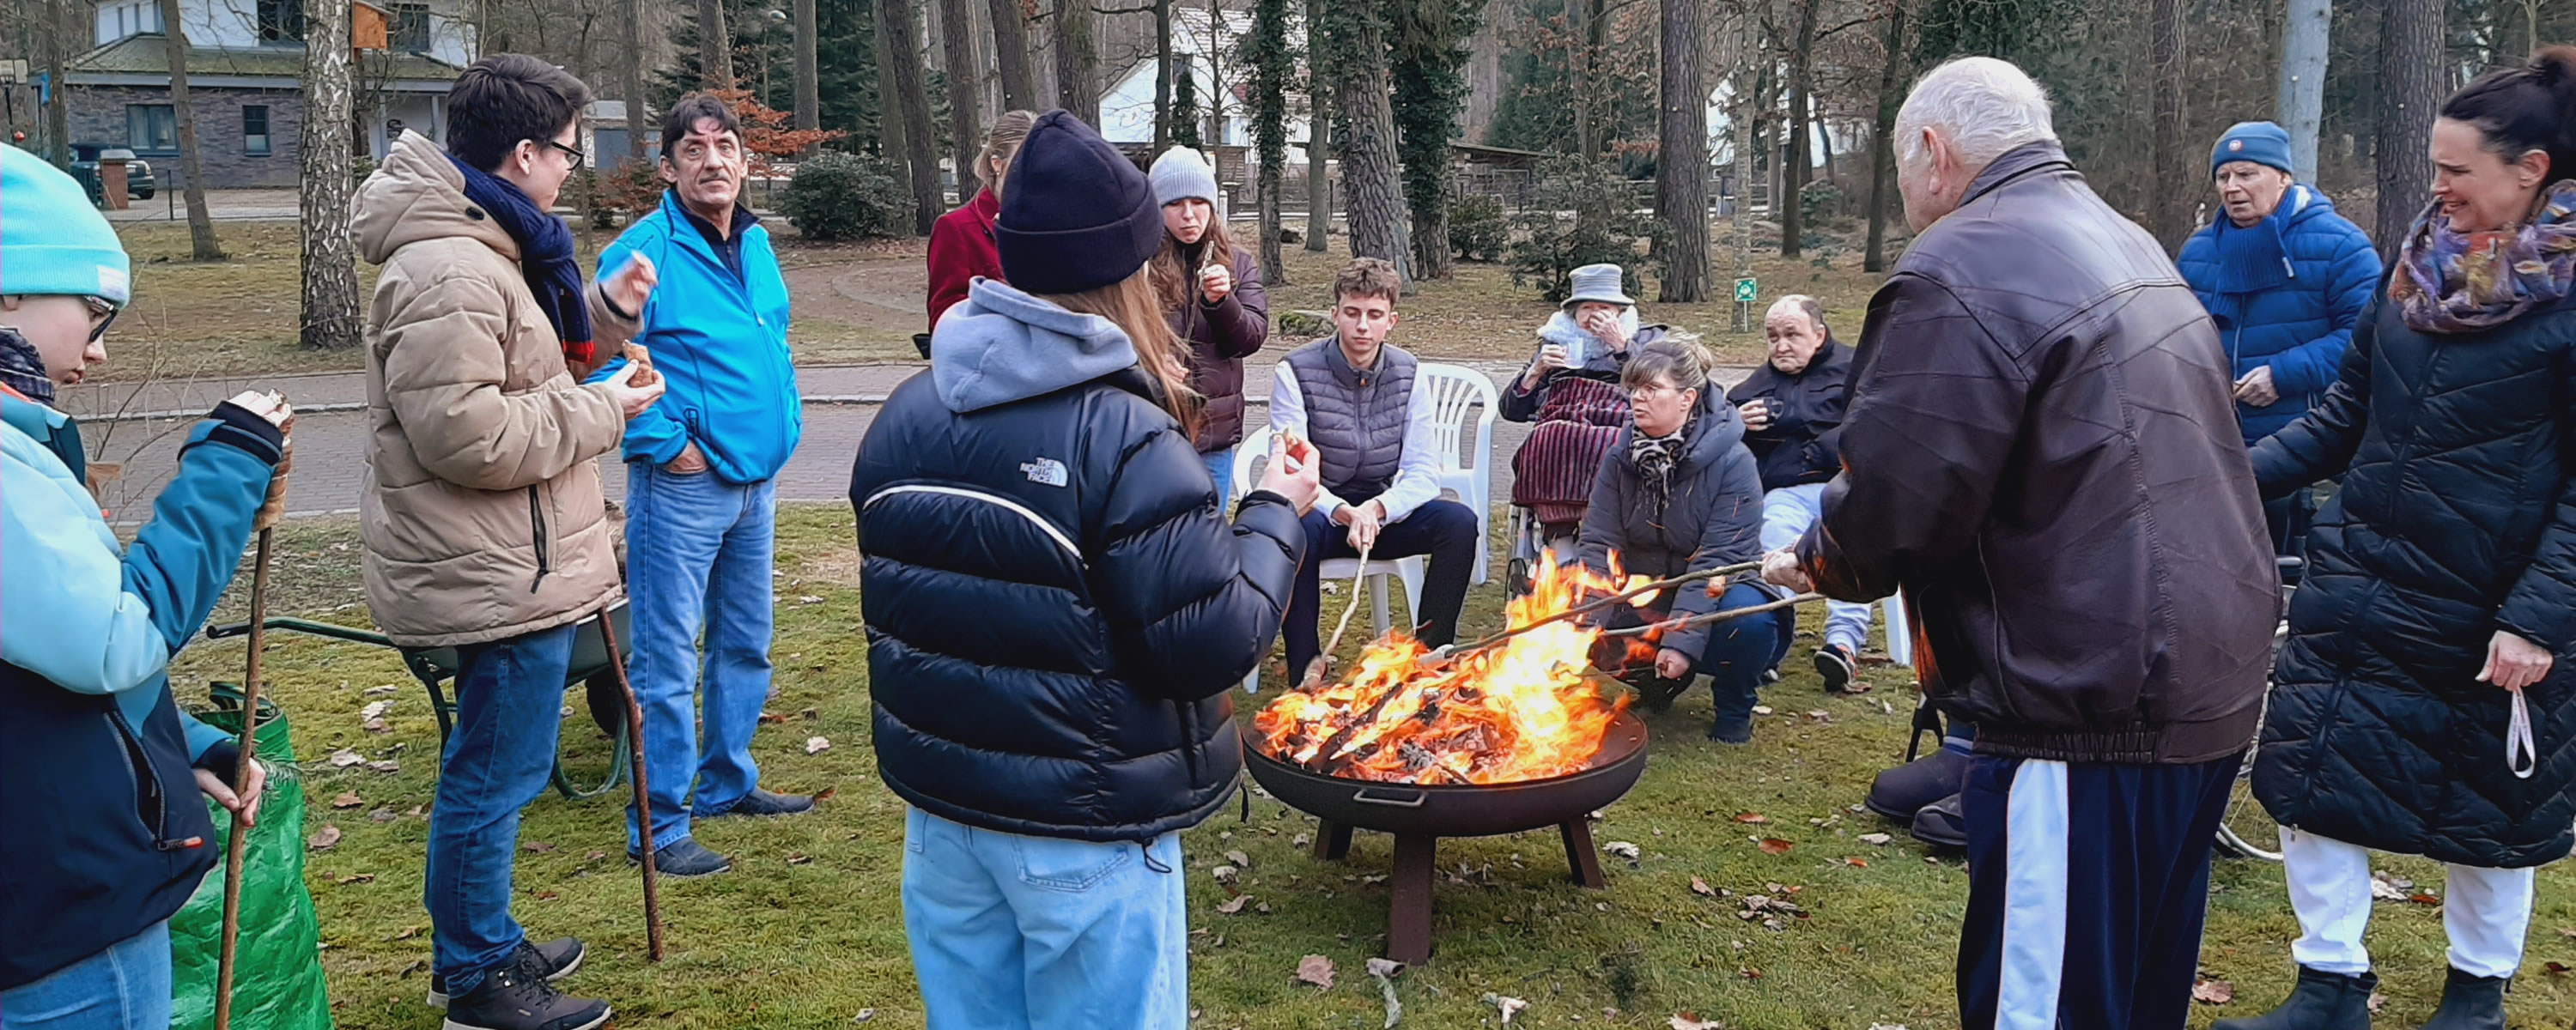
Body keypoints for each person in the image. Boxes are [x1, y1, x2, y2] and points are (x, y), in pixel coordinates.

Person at [1762, 58, 2276, 1030]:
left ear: (1935, 151)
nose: (1908, 195)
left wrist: (1824, 559)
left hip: (2090, 698)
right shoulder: (2122, 236)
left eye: (1901, 166)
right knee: (2131, 990)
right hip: (2205, 675)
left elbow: (1906, 487)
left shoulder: (1962, 265)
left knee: (2046, 1007)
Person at [850, 109, 1318, 1030]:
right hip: (1084, 827)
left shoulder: (906, 412)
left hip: (944, 823)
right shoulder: (1125, 436)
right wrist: (1275, 510)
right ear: (1129, 272)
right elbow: (1212, 643)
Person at [2215, 48, 2576, 1030]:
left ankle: (2476, 996)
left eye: (2457, 172)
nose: (2439, 189)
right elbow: (2343, 415)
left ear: (2531, 168)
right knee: (2310, 777)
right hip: (2364, 577)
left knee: (2486, 814)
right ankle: (2329, 984)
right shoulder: (2415, 266)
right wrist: (2220, 483)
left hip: (2496, 605)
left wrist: (2539, 619)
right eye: (2435, 169)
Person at [354, 55, 665, 1030]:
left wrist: (607, 322)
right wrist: (603, 411)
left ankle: (479, 943)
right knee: (492, 779)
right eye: (570, 151)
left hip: (515, 559)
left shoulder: (488, 247)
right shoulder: (447, 266)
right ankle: (477, 983)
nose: (575, 169)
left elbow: (524, 372)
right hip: (487, 565)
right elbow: (470, 437)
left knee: (502, 771)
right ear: (524, 151)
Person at [0, 144, 289, 1030]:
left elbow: (33, 663)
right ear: (9, 290)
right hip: (59, 915)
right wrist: (228, 469)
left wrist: (180, 748)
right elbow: (113, 641)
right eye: (90, 314)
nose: (93, 353)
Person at [583, 94, 809, 880]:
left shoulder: (755, 242)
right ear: (670, 164)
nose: (713, 160)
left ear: (746, 161)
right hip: (683, 485)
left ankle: (726, 782)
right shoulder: (643, 252)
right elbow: (600, 355)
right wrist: (664, 443)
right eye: (694, 147)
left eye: (726, 146)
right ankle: (660, 824)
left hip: (756, 479)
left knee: (744, 640)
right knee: (666, 657)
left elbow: (768, 336)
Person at [2174, 120, 2379, 578]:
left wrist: (2283, 374)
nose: (2233, 188)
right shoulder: (2199, 252)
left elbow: (2366, 337)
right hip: (2214, 438)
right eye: (2224, 177)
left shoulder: (2340, 246)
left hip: (2303, 443)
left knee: (2278, 573)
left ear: (2284, 177)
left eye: (2247, 174)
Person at [1273, 258, 1483, 685]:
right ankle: (1306, 670)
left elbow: (1424, 470)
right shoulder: (1293, 371)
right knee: (1295, 529)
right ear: (1335, 315)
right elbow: (1293, 468)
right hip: (1322, 510)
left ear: (1391, 321)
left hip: (1384, 512)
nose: (1362, 326)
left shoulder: (1410, 373)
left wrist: (1379, 509)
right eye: (1352, 313)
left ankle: (1430, 657)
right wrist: (1346, 513)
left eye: (1374, 315)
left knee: (1459, 522)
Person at [1577, 336, 1789, 743]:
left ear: (1687, 398)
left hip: (1719, 585)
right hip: (1647, 584)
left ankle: (1734, 705)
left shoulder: (1734, 462)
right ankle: (1655, 682)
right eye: (1633, 390)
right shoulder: (1620, 457)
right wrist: (1582, 626)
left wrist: (1681, 642)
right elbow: (1600, 542)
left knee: (1748, 622)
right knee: (1568, 603)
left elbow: (1717, 559)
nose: (1637, 400)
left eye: (1651, 390)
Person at [1724, 294, 1876, 691]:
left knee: (1846, 540)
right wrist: (1736, 421)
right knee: (1772, 530)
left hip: (1846, 485)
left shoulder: (1856, 369)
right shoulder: (1756, 385)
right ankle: (1768, 645)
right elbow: (1717, 426)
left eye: (1792, 334)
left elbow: (1876, 423)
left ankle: (1842, 646)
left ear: (1819, 334)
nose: (1781, 345)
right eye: (1773, 336)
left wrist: (1819, 449)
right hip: (1787, 493)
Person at [1503, 263, 1671, 548]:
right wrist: (1536, 371)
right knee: (1547, 436)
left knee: (1615, 443)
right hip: (1560, 418)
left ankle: (1604, 535)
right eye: (1587, 308)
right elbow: (1511, 410)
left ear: (1619, 312)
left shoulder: (1646, 338)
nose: (1595, 315)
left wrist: (1621, 345)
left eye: (1603, 308)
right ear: (1574, 314)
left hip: (1618, 418)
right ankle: (1560, 540)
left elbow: (1661, 385)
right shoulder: (1554, 342)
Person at [1149, 145, 1270, 508]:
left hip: (1214, 435)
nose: (1189, 215)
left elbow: (1250, 339)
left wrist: (1222, 303)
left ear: (1212, 206)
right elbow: (1115, 334)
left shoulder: (1239, 263)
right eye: (1175, 205)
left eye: (1198, 203)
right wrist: (1152, 362)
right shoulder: (1138, 266)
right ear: (1158, 210)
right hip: (1153, 431)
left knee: (1209, 537)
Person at [923, 110, 1039, 353]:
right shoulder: (956, 228)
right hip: (991, 368)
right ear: (997, 164)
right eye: (1023, 163)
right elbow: (943, 319)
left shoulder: (1056, 223)